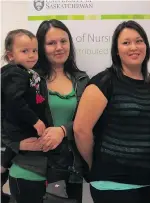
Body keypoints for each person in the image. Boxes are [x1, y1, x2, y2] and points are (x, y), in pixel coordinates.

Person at [73, 20, 150, 203]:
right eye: (126, 42)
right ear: (116, 50)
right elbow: (80, 129)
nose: (134, 47)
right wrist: (95, 164)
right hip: (113, 184)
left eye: (139, 41)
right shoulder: (105, 82)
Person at [3, 20, 89, 203]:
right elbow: (6, 116)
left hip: (68, 171)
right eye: (51, 43)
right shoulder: (26, 77)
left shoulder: (82, 80)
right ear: (41, 47)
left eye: (63, 41)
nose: (59, 47)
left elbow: (88, 122)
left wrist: (63, 130)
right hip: (28, 170)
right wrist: (17, 144)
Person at [1, 29, 46, 203]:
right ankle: (3, 168)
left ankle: (3, 167)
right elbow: (14, 101)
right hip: (17, 124)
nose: (32, 55)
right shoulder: (14, 73)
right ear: (10, 55)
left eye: (34, 50)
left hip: (19, 124)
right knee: (18, 144)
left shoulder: (26, 72)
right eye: (25, 51)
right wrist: (35, 120)